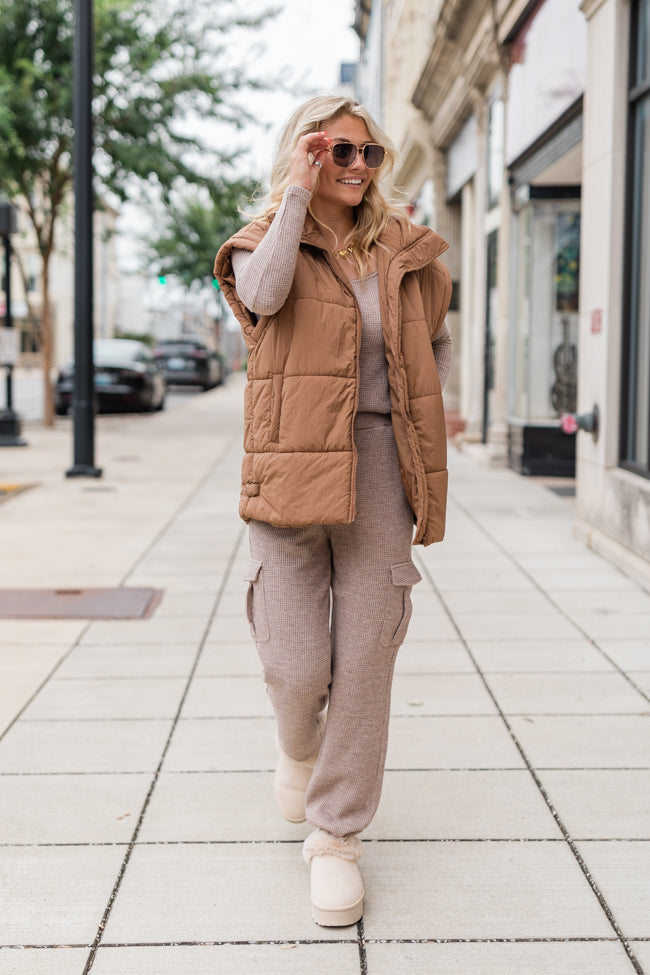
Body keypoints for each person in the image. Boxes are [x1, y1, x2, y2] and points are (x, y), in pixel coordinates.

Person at [214, 94, 452, 928]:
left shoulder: (406, 250)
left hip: (383, 466)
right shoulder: (262, 241)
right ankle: (295, 743)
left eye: (368, 155)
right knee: (296, 666)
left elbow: (434, 337)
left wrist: (426, 402)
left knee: (368, 651)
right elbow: (267, 297)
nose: (355, 169)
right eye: (337, 152)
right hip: (288, 468)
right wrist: (293, 194)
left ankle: (335, 835)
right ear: (305, 154)